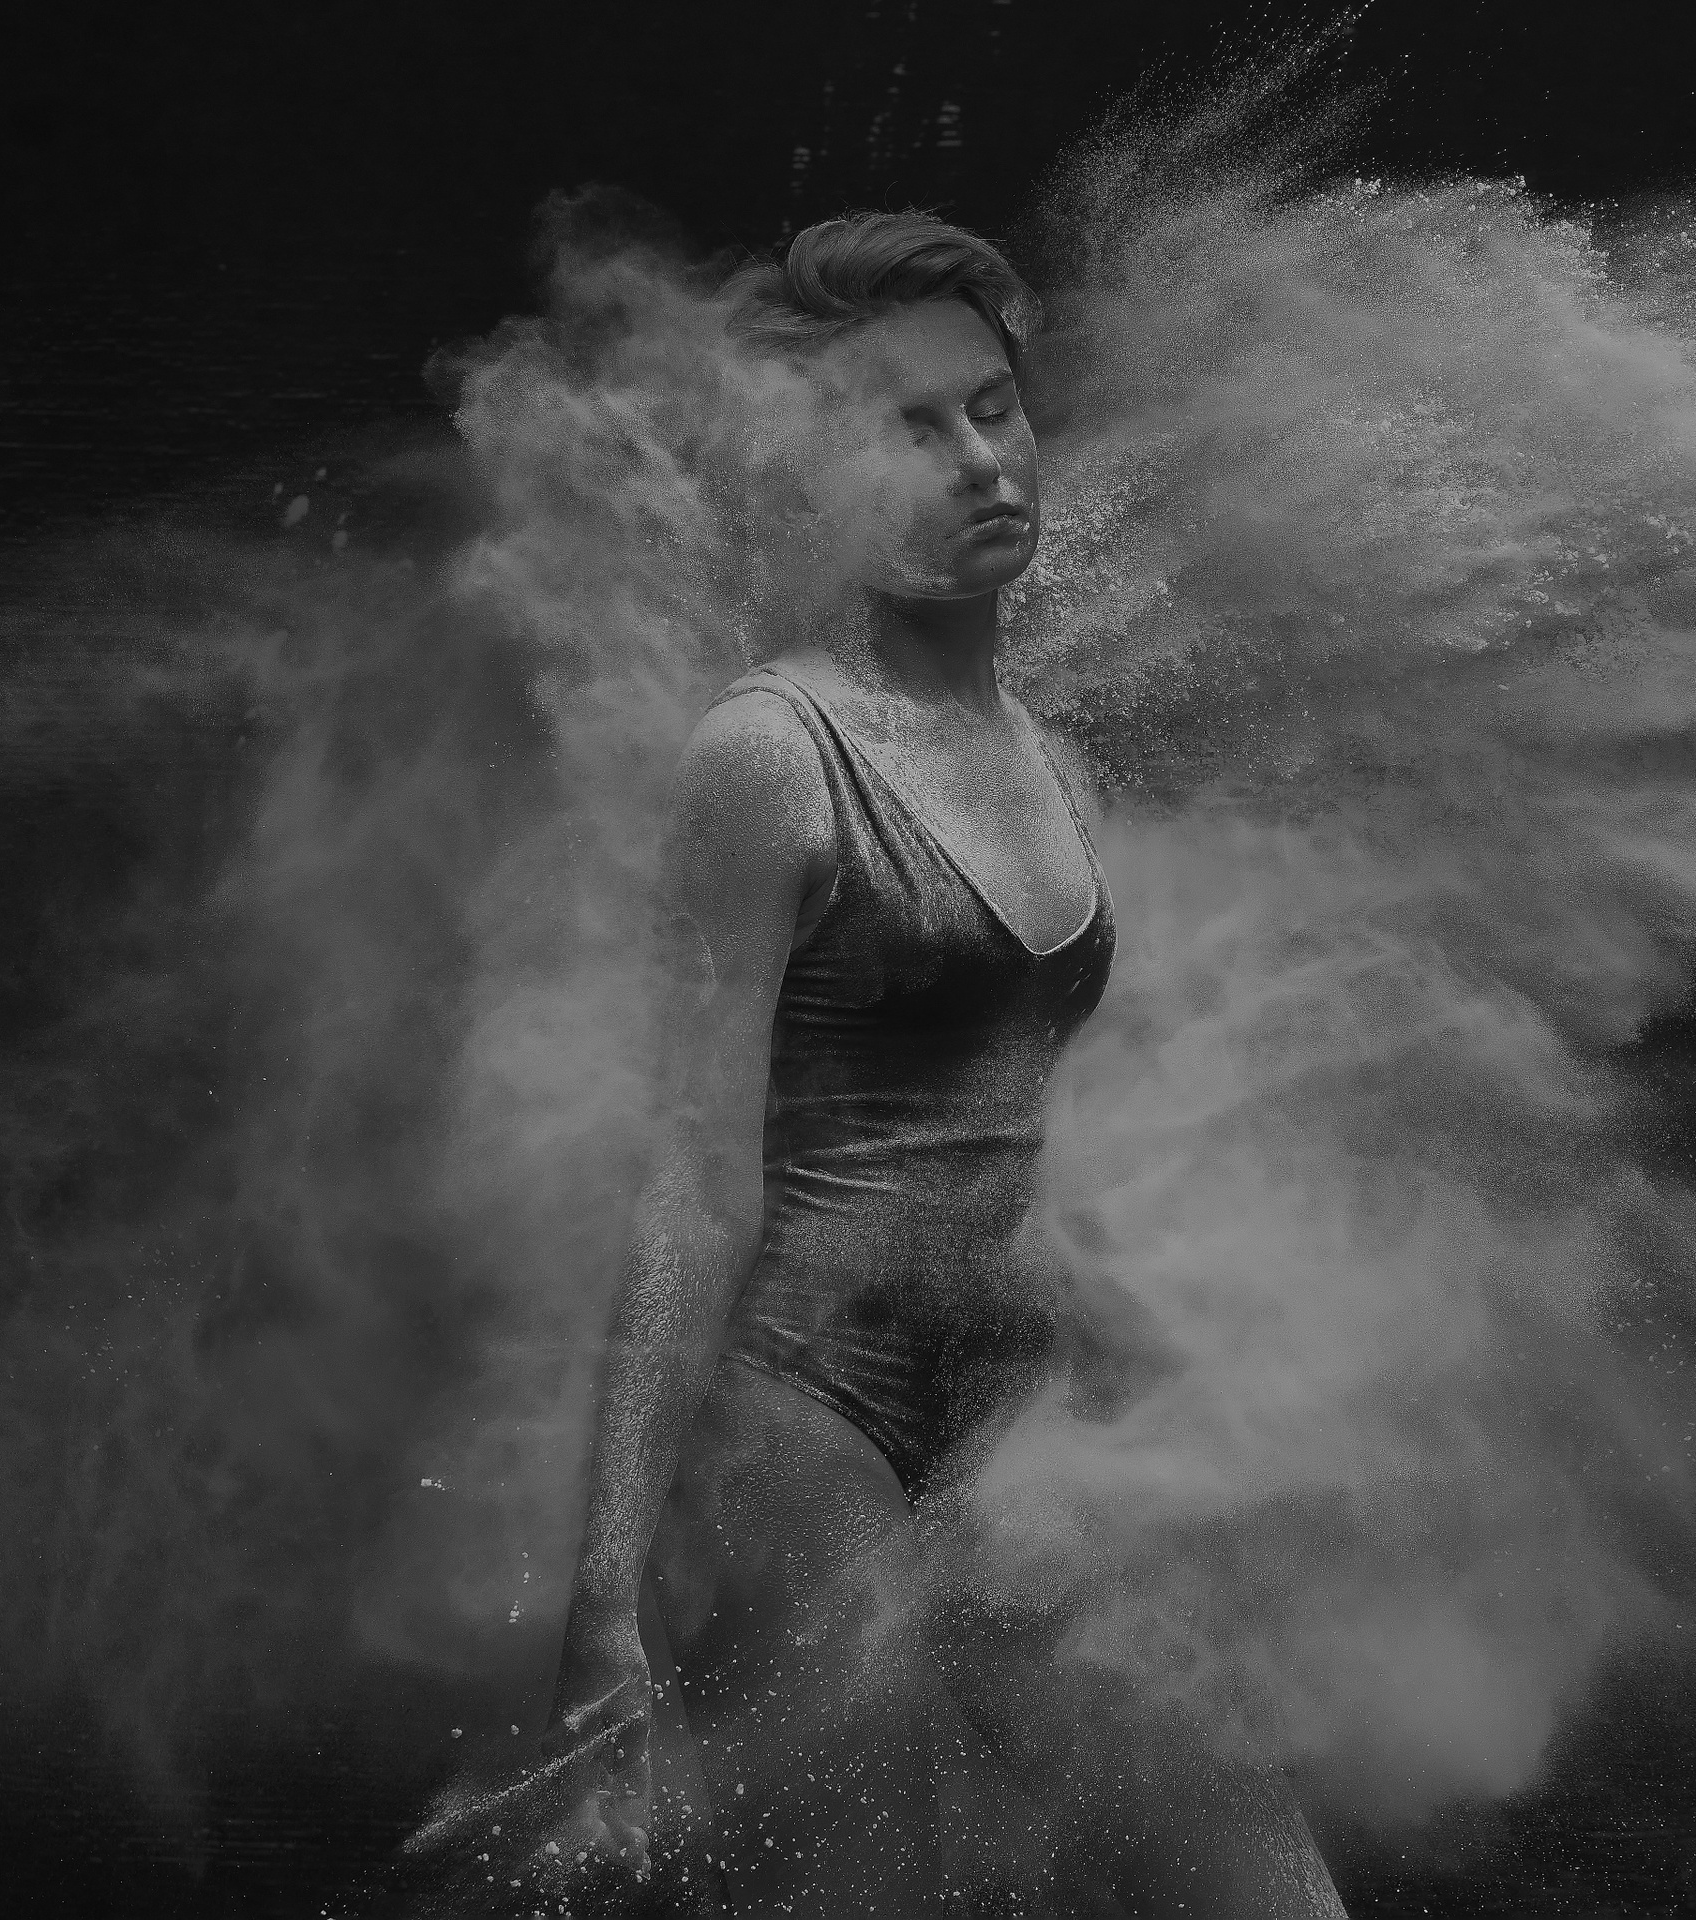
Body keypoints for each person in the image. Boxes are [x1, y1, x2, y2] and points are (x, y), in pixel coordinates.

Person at [519, 212, 1347, 1918]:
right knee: (881, 1882)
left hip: (1013, 1411)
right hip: (802, 1407)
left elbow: (1028, 1134)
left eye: (993, 406)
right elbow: (694, 1172)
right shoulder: (769, 754)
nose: (981, 460)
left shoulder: (1062, 767)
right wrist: (603, 1593)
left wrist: (1162, 1393)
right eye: (912, 428)